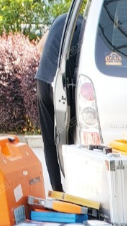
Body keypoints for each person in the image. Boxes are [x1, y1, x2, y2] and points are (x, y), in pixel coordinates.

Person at [35, 13, 83, 192]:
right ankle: (75, 187)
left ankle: (57, 189)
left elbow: (40, 47)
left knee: (49, 140)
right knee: (70, 137)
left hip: (43, 80)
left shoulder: (61, 19)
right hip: (62, 86)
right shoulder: (86, 28)